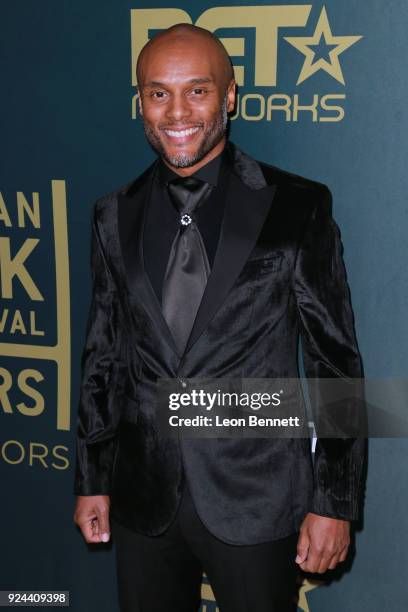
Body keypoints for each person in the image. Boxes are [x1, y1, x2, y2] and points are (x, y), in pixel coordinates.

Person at [73, 23, 366, 612]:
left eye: (197, 91)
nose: (177, 111)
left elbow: (336, 362)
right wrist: (91, 477)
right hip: (144, 499)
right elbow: (103, 353)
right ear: (141, 102)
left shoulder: (297, 206)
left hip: (256, 496)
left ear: (229, 97)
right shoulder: (112, 214)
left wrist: (334, 502)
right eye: (158, 93)